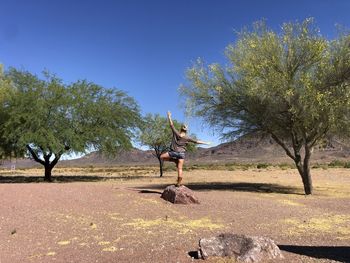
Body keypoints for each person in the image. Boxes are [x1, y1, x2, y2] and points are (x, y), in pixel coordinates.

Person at [160, 111, 211, 186]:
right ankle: (179, 182)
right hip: (182, 154)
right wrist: (206, 143)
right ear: (186, 130)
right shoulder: (188, 138)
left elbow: (171, 124)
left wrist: (169, 116)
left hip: (174, 152)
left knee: (162, 157)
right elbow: (197, 142)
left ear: (181, 128)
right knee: (180, 168)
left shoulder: (176, 133)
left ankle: (174, 160)